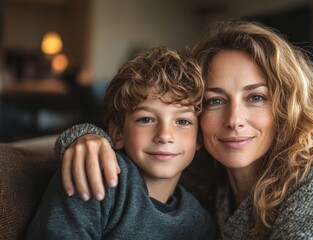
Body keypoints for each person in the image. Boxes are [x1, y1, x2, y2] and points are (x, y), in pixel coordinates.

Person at [55, 20, 313, 239]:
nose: (234, 119)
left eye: (256, 97)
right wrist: (86, 137)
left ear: (286, 107)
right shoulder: (202, 180)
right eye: (216, 101)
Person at [25, 46, 215, 239]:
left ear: (198, 138)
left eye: (183, 121)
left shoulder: (200, 223)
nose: (165, 135)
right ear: (117, 134)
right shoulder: (96, 175)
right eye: (146, 119)